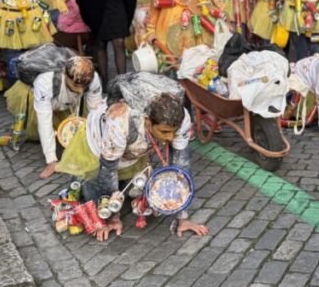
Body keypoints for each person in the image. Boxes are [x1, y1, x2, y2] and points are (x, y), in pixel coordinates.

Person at [61, 91, 210, 241]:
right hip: (98, 146)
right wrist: (113, 217)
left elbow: (181, 166)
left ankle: (123, 176)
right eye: (165, 132)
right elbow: (109, 170)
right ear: (147, 121)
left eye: (174, 132)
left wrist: (182, 218)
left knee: (139, 194)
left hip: (132, 148)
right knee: (99, 202)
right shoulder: (119, 122)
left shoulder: (182, 118)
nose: (170, 138)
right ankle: (80, 180)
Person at [2, 55, 104, 179]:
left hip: (66, 101)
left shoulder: (93, 79)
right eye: (75, 87)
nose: (80, 91)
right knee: (36, 132)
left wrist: (99, 147)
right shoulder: (45, 81)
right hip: (38, 95)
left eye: (83, 88)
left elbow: (96, 113)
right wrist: (51, 161)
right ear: (65, 74)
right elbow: (44, 121)